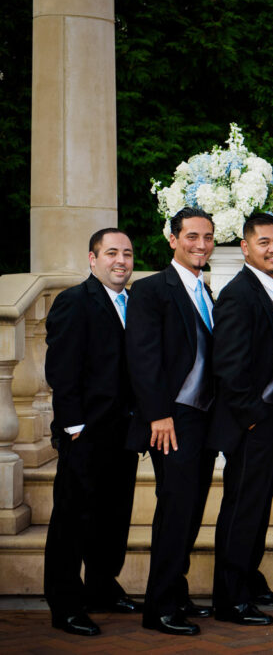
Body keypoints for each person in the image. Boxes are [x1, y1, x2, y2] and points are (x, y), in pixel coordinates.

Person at [43, 228, 141, 636]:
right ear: (93, 258)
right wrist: (75, 427)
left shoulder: (134, 304)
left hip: (125, 433)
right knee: (72, 519)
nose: (121, 260)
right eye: (112, 253)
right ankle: (65, 603)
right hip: (85, 433)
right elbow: (61, 372)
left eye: (128, 254)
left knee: (114, 516)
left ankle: (103, 586)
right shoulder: (74, 302)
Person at [125, 207, 218, 636]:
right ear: (173, 239)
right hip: (172, 419)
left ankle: (176, 591)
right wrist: (158, 413)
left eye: (207, 237)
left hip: (203, 420)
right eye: (192, 237)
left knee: (192, 506)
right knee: (175, 508)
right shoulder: (150, 290)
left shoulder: (206, 288)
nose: (201, 244)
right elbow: (143, 358)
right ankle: (159, 606)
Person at [208, 213, 273, 626]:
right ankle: (230, 600)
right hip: (252, 426)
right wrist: (253, 419)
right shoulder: (237, 294)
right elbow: (229, 366)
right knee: (243, 509)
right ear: (245, 248)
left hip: (272, 423)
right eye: (264, 242)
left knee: (258, 508)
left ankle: (249, 580)